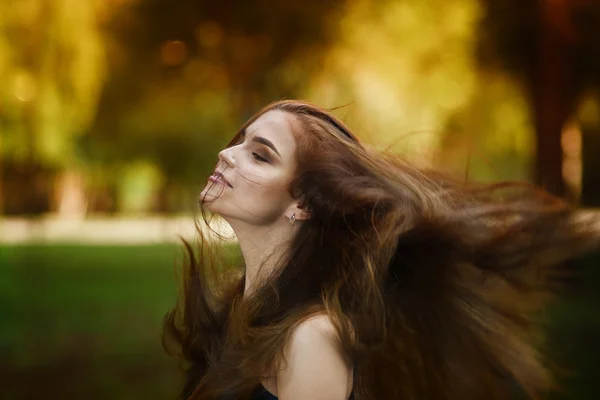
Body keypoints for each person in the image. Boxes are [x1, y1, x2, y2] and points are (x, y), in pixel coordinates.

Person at [163, 100, 599, 400]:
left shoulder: (310, 339)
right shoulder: (241, 305)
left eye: (260, 155)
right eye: (240, 141)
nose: (226, 154)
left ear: (304, 203)